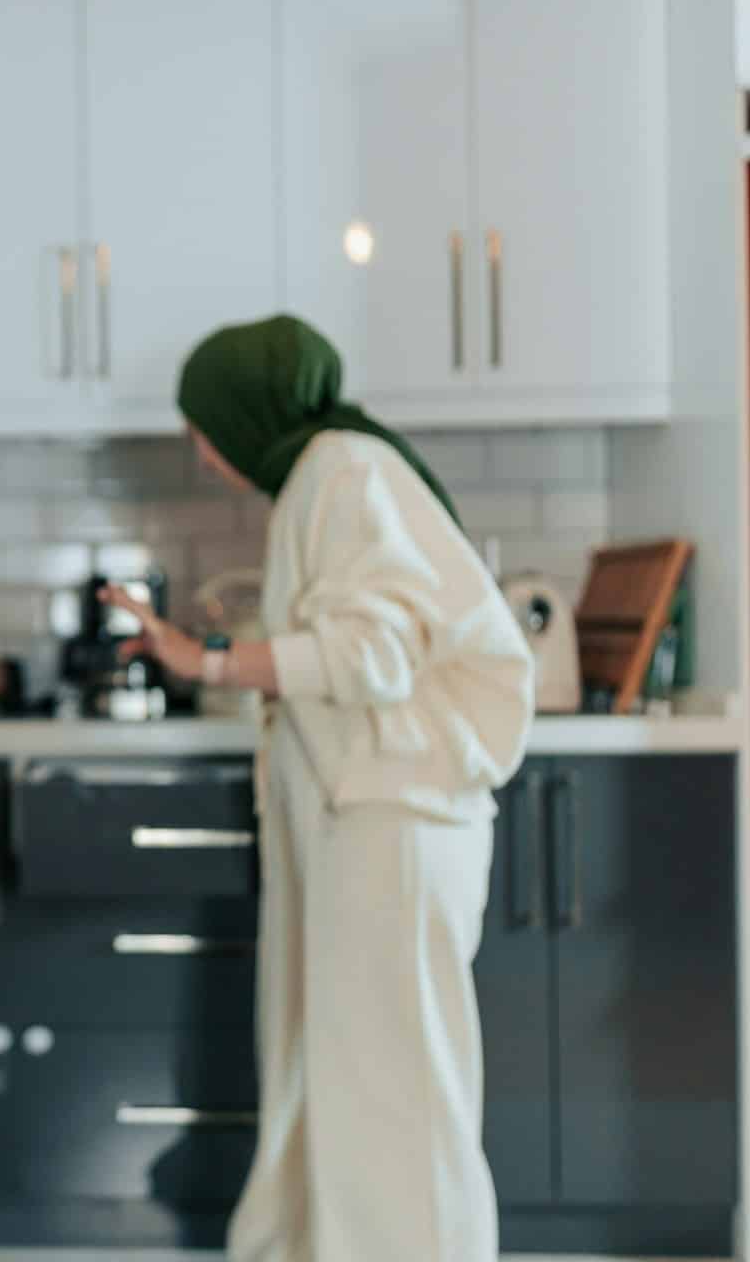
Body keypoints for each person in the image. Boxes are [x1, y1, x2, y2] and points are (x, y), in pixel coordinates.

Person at [102, 315, 533, 1262]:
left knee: (391, 1091)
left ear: (242, 410)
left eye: (202, 422)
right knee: (350, 1077)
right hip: (372, 815)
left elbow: (371, 652)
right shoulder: (326, 474)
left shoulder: (341, 470)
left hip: (391, 818)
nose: (200, 450)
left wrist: (203, 659)